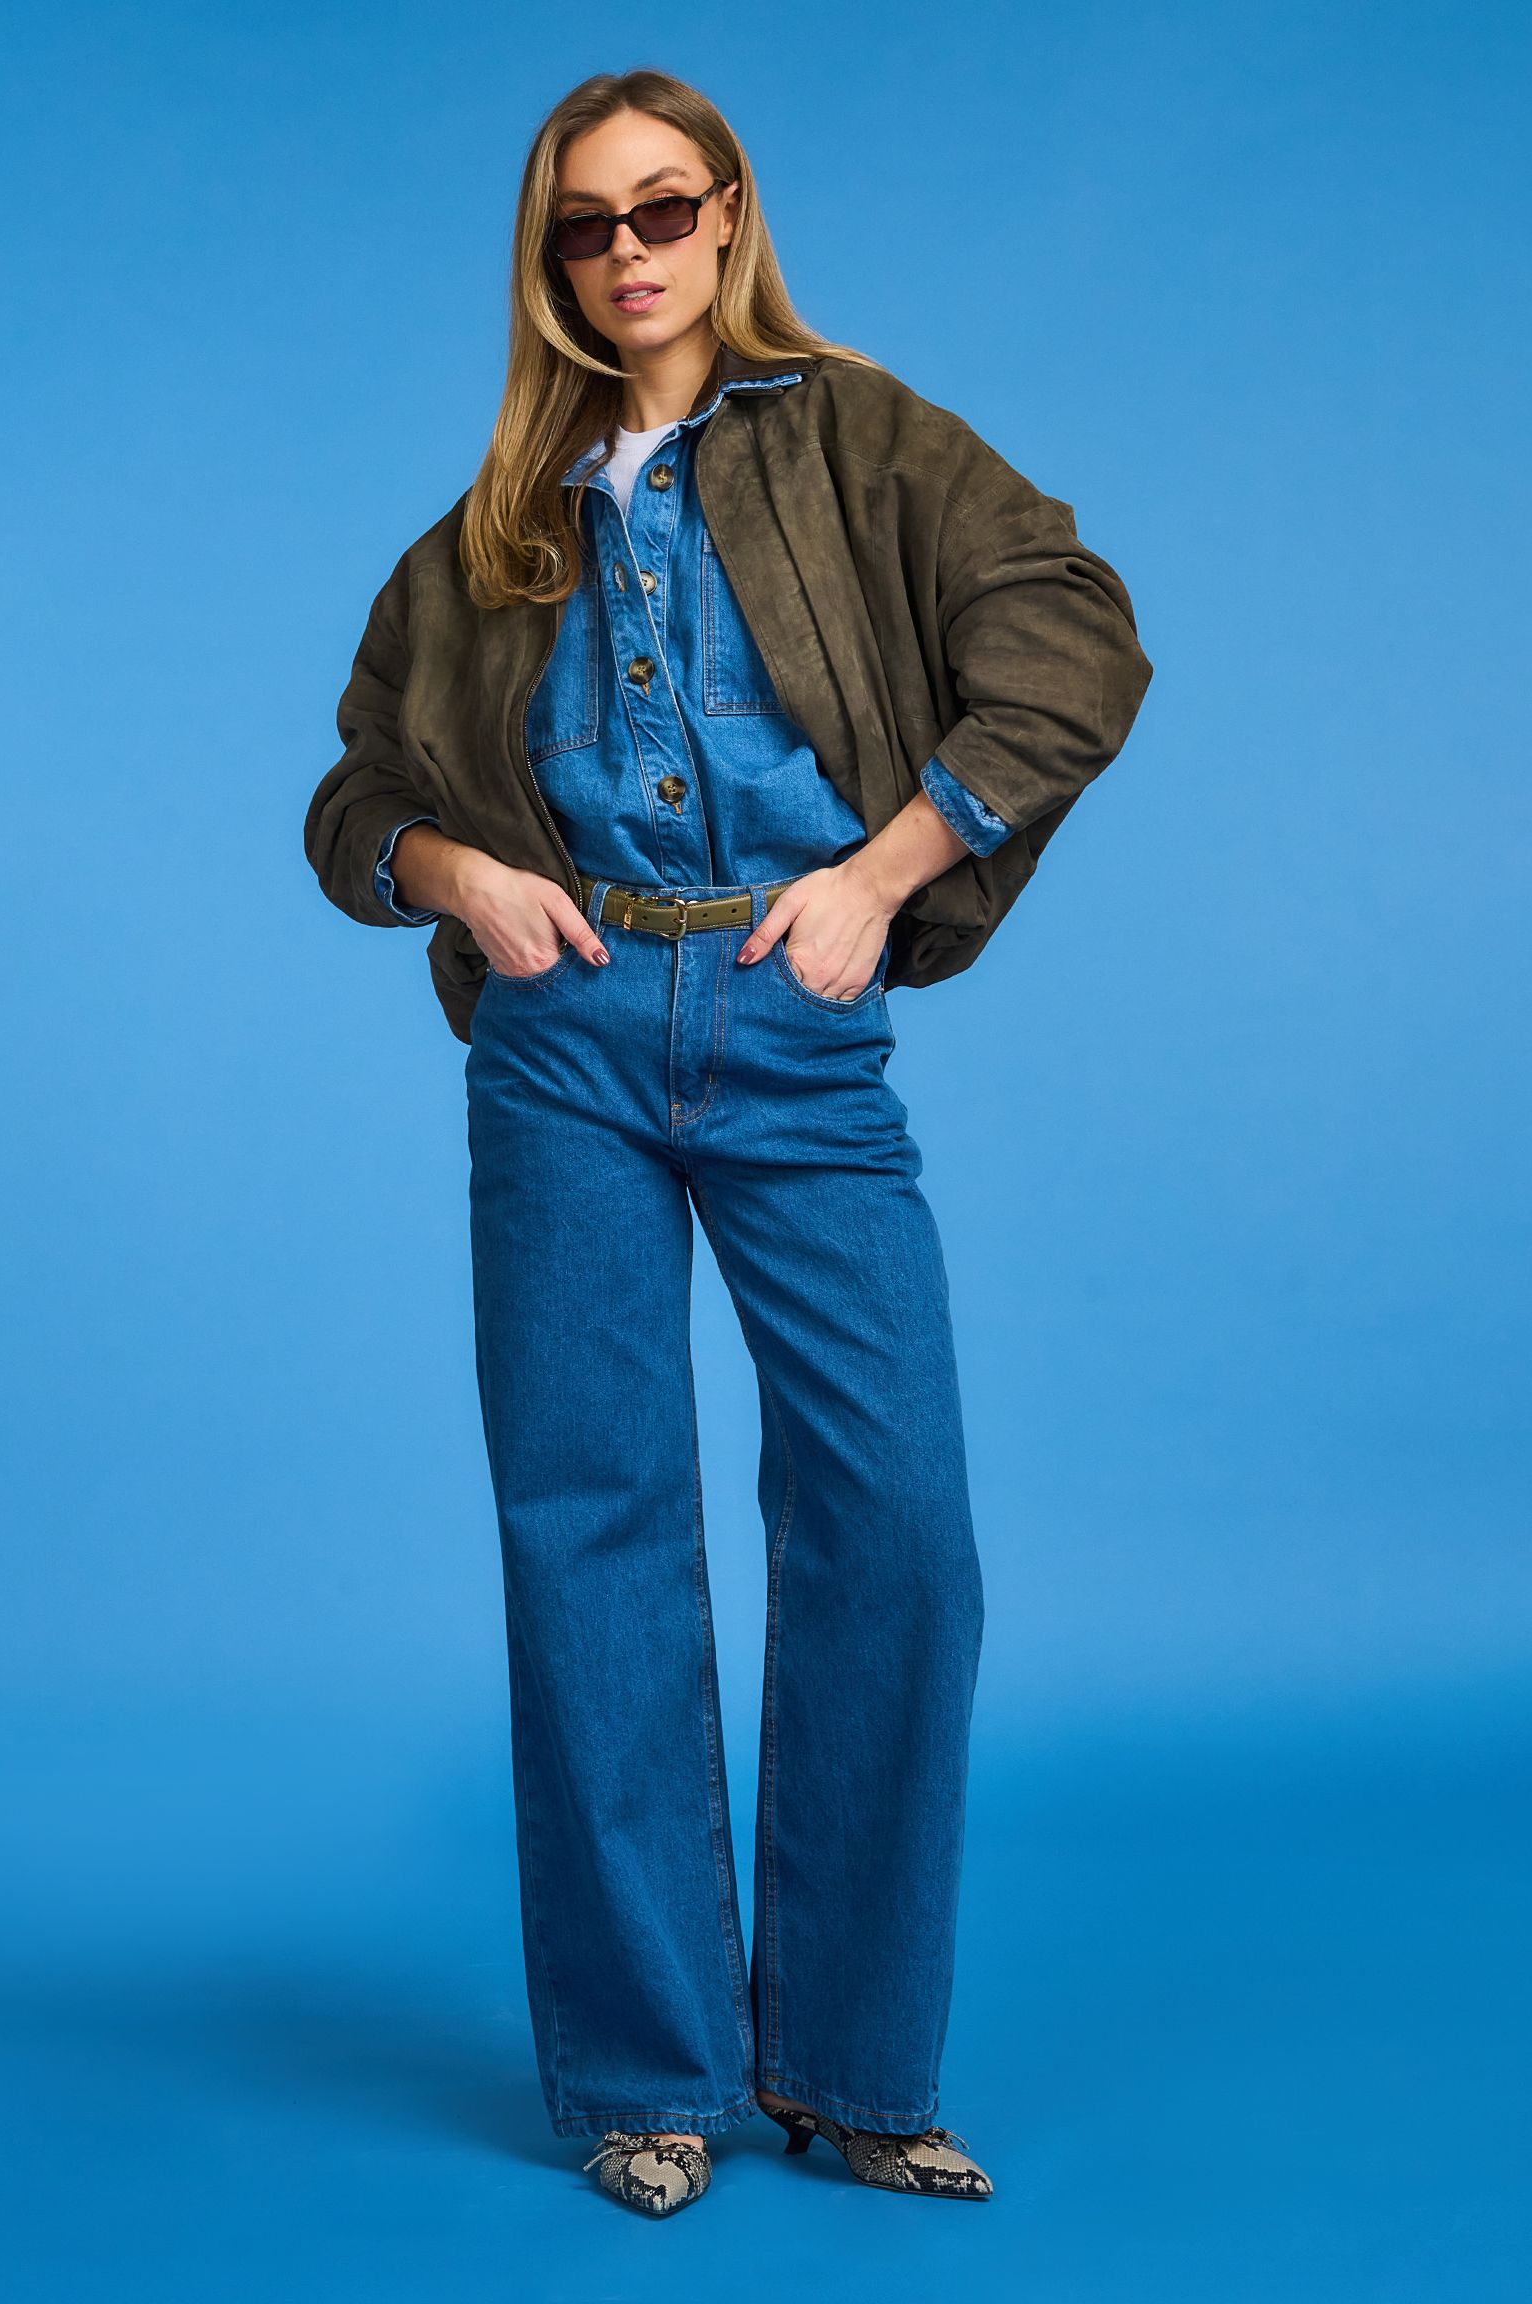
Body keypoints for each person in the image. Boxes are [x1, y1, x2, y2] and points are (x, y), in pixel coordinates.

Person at [304, 69, 1153, 2218]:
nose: (629, 252)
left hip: (791, 1019)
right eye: (585, 226)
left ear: (730, 214)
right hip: (566, 1039)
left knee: (897, 1526)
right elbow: (349, 793)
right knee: (592, 1531)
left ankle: (856, 2072)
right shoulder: (500, 521)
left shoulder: (861, 438)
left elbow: (1075, 635)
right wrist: (451, 874)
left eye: (662, 208)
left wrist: (889, 868)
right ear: (552, 264)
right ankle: (645, 2078)